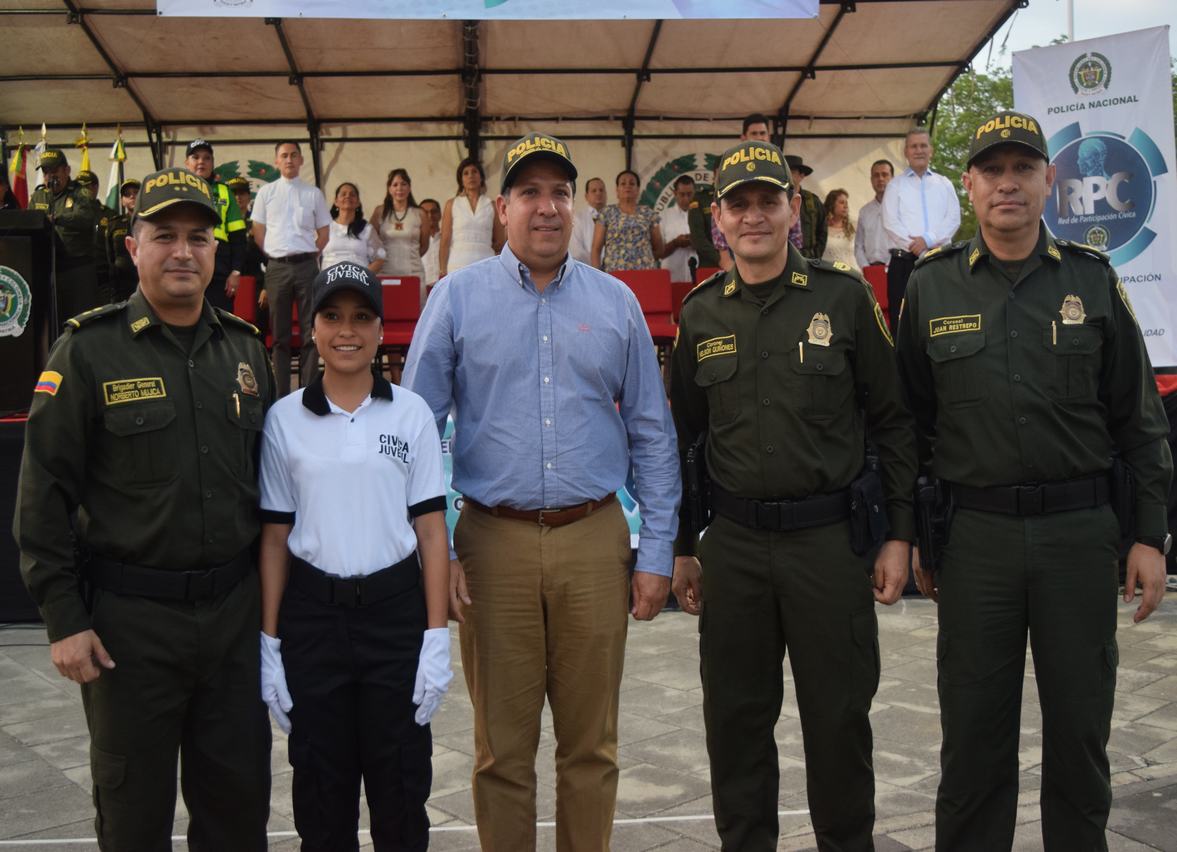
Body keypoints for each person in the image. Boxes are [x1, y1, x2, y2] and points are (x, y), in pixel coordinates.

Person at [896, 111, 1171, 851]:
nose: (1007, 184)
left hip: (1077, 538)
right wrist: (914, 534)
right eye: (991, 170)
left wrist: (1148, 535)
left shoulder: (1090, 279)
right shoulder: (929, 287)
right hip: (975, 540)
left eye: (1023, 169)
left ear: (1050, 182)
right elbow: (908, 428)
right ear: (969, 186)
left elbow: (1137, 420)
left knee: (1079, 736)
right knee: (973, 742)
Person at [402, 132, 679, 852]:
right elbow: (414, 429)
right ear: (502, 208)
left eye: (559, 192)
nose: (546, 207)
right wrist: (437, 553)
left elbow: (651, 431)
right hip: (489, 545)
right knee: (501, 756)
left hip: (595, 540)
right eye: (529, 192)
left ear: (576, 208)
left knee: (591, 749)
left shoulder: (615, 303)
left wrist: (656, 552)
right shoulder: (457, 299)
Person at [14, 167, 275, 850]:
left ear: (217, 252)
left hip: (232, 624)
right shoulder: (87, 351)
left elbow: (276, 495)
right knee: (132, 821)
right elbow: (43, 497)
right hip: (130, 633)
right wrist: (64, 621)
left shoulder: (246, 353)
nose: (183, 251)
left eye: (198, 237)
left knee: (238, 814)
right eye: (165, 236)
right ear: (134, 247)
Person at [669, 139, 917, 852]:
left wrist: (897, 535)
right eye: (738, 204)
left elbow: (893, 420)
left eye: (766, 201)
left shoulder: (843, 300)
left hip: (827, 545)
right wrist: (684, 546)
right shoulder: (699, 315)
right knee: (737, 727)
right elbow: (685, 443)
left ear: (791, 212)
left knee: (839, 726)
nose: (753, 216)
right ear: (718, 219)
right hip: (736, 549)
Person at [257, 261, 452, 851]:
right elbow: (273, 538)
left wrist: (437, 637)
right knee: (321, 797)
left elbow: (431, 530)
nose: (348, 330)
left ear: (380, 329)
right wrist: (269, 644)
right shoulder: (284, 420)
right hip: (313, 620)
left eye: (362, 317)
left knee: (400, 792)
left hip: (394, 617)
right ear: (311, 327)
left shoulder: (411, 414)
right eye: (332, 316)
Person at [252, 140, 331, 396]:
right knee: (280, 337)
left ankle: (307, 391)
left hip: (307, 265)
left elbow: (324, 233)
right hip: (277, 268)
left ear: (301, 160)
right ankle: (281, 394)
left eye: (293, 155)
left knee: (310, 333)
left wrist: (308, 253)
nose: (288, 160)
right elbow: (258, 232)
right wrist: (276, 254)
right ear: (276, 161)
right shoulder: (266, 193)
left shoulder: (313, 194)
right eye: (284, 156)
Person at [882, 127, 960, 329]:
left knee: (942, 319)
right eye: (914, 146)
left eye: (923, 145)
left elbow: (953, 218)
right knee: (904, 323)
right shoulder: (894, 185)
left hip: (940, 260)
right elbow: (890, 222)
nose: (919, 150)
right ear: (906, 152)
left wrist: (928, 240)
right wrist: (914, 245)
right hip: (904, 263)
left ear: (931, 150)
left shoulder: (944, 183)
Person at [29, 149, 104, 321]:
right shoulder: (38, 196)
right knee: (51, 320)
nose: (49, 176)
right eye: (45, 172)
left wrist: (57, 218)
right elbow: (30, 224)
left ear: (67, 171)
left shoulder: (80, 193)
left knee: (81, 322)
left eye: (54, 171)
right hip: (48, 270)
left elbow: (86, 217)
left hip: (77, 270)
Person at [700, 114, 773, 273]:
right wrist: (727, 261)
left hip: (776, 255)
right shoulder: (731, 169)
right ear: (743, 137)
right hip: (738, 257)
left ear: (769, 136)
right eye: (754, 134)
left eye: (763, 133)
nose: (759, 138)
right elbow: (720, 213)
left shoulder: (780, 168)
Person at [185, 139, 248, 313]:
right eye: (195, 157)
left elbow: (238, 237)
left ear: (212, 163)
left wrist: (236, 271)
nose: (201, 162)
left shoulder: (224, 191)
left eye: (206, 158)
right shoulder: (177, 191)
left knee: (220, 320)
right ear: (186, 163)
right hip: (187, 263)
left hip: (219, 267)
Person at [439, 158, 503, 277]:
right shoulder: (452, 204)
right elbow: (445, 241)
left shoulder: (492, 205)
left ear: (481, 177)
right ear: (461, 179)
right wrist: (442, 270)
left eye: (474, 172)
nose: (470, 176)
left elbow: (500, 241)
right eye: (466, 173)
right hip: (457, 266)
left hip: (486, 264)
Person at [591, 169, 663, 273]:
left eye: (632, 183)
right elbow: (596, 250)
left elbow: (659, 249)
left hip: (645, 274)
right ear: (617, 190)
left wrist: (642, 258)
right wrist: (596, 276)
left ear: (638, 189)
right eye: (623, 183)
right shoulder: (606, 213)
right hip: (614, 275)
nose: (627, 186)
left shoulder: (649, 213)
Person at [372, 168, 429, 286]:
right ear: (389, 189)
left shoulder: (420, 213)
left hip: (413, 272)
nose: (399, 188)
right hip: (385, 272)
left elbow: (424, 245)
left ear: (409, 187)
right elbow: (371, 241)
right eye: (395, 185)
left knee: (413, 304)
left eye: (404, 184)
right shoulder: (380, 211)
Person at [321, 182, 386, 273]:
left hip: (357, 284)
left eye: (352, 194)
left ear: (358, 203)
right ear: (336, 202)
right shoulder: (325, 227)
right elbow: (313, 256)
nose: (347, 196)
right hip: (329, 282)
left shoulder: (366, 229)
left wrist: (363, 276)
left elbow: (380, 258)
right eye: (343, 194)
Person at [97, 178, 140, 302]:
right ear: (122, 201)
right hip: (120, 284)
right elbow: (108, 255)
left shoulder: (151, 222)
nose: (132, 196)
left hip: (145, 280)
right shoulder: (114, 224)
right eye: (127, 194)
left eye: (136, 193)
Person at [854, 159, 894, 270]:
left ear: (893, 179)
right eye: (876, 175)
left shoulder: (901, 210)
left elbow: (902, 244)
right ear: (871, 180)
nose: (880, 179)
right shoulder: (864, 211)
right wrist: (865, 267)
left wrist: (888, 267)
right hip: (869, 270)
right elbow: (859, 245)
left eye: (885, 175)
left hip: (895, 269)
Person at [786, 154, 827, 259]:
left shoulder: (813, 201)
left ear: (802, 175)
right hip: (780, 258)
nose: (787, 175)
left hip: (807, 258)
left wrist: (815, 256)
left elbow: (822, 232)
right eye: (784, 171)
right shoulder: (775, 200)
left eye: (791, 171)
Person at [659, 174, 698, 282]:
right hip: (671, 278)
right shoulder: (663, 216)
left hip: (699, 278)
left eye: (689, 194)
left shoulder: (702, 215)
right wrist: (675, 243)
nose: (686, 198)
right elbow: (658, 253)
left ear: (695, 193)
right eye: (682, 194)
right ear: (675, 193)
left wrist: (697, 241)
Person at [570, 176, 606, 264]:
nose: (598, 193)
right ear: (586, 196)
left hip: (614, 270)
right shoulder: (577, 218)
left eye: (601, 190)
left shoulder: (614, 218)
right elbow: (577, 251)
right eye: (594, 191)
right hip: (588, 269)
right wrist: (596, 263)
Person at [821, 188, 857, 270]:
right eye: (841, 202)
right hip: (830, 274)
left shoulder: (852, 228)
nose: (846, 206)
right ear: (831, 205)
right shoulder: (821, 228)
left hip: (851, 275)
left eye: (846, 203)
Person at [419, 197, 442, 288]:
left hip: (443, 287)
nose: (430, 215)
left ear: (440, 214)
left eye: (434, 212)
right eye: (425, 212)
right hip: (422, 289)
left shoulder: (449, 240)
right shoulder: (415, 241)